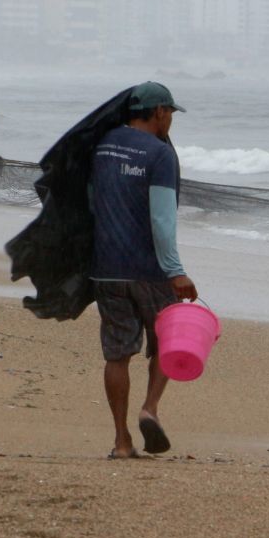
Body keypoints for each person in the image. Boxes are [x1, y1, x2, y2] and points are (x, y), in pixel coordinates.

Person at [88, 81, 197, 459]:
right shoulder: (160, 154)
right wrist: (175, 271)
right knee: (168, 340)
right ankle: (149, 409)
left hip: (105, 268)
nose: (171, 121)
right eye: (171, 114)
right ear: (160, 112)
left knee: (117, 355)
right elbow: (162, 220)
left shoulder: (102, 144)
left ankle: (121, 442)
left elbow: (90, 200)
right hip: (149, 270)